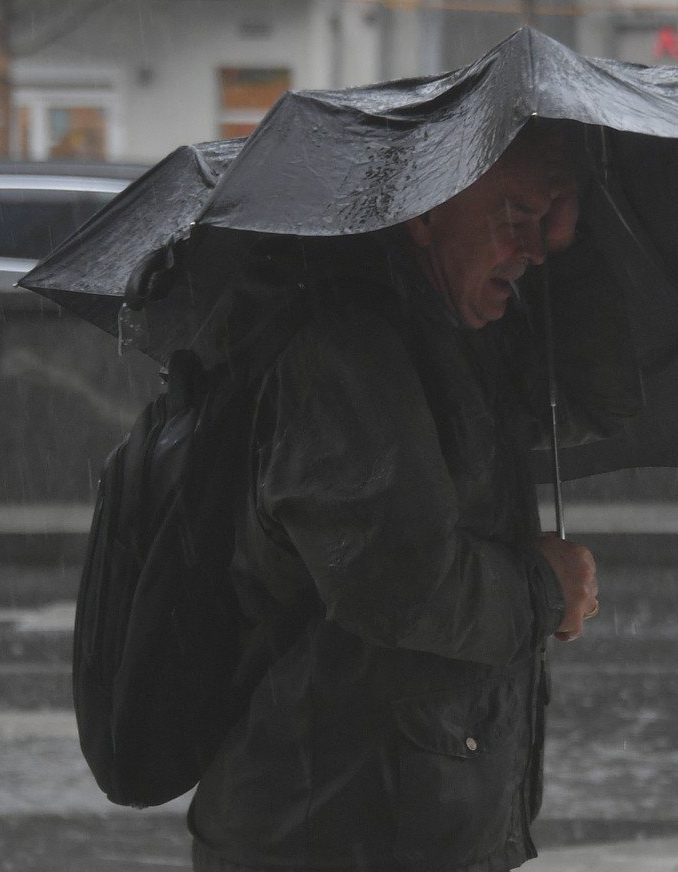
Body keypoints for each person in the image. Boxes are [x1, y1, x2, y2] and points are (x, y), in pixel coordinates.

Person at [188, 123, 641, 871]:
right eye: (516, 214)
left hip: (409, 828)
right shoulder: (345, 353)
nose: (530, 247)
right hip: (335, 838)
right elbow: (400, 585)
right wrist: (542, 591)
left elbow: (600, 396)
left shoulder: (450, 333)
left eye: (544, 220)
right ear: (424, 211)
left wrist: (573, 240)